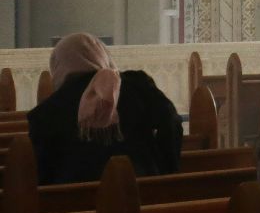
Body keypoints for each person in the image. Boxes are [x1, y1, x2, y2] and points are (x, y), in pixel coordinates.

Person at [29, 32, 182, 185]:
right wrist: (166, 171)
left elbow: (43, 171)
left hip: (77, 202)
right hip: (144, 190)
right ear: (102, 55)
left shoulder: (45, 113)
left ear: (58, 65)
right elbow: (171, 121)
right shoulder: (137, 85)